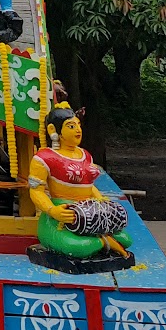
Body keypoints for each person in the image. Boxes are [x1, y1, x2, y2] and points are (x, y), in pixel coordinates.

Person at [28, 105, 132, 269]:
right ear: (53, 129)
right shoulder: (44, 158)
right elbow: (36, 191)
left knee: (127, 239)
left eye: (78, 125)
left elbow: (88, 185)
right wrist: (53, 210)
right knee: (76, 247)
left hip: (89, 212)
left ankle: (100, 241)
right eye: (71, 126)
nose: (78, 130)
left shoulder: (85, 155)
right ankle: (104, 242)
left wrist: (100, 201)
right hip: (61, 214)